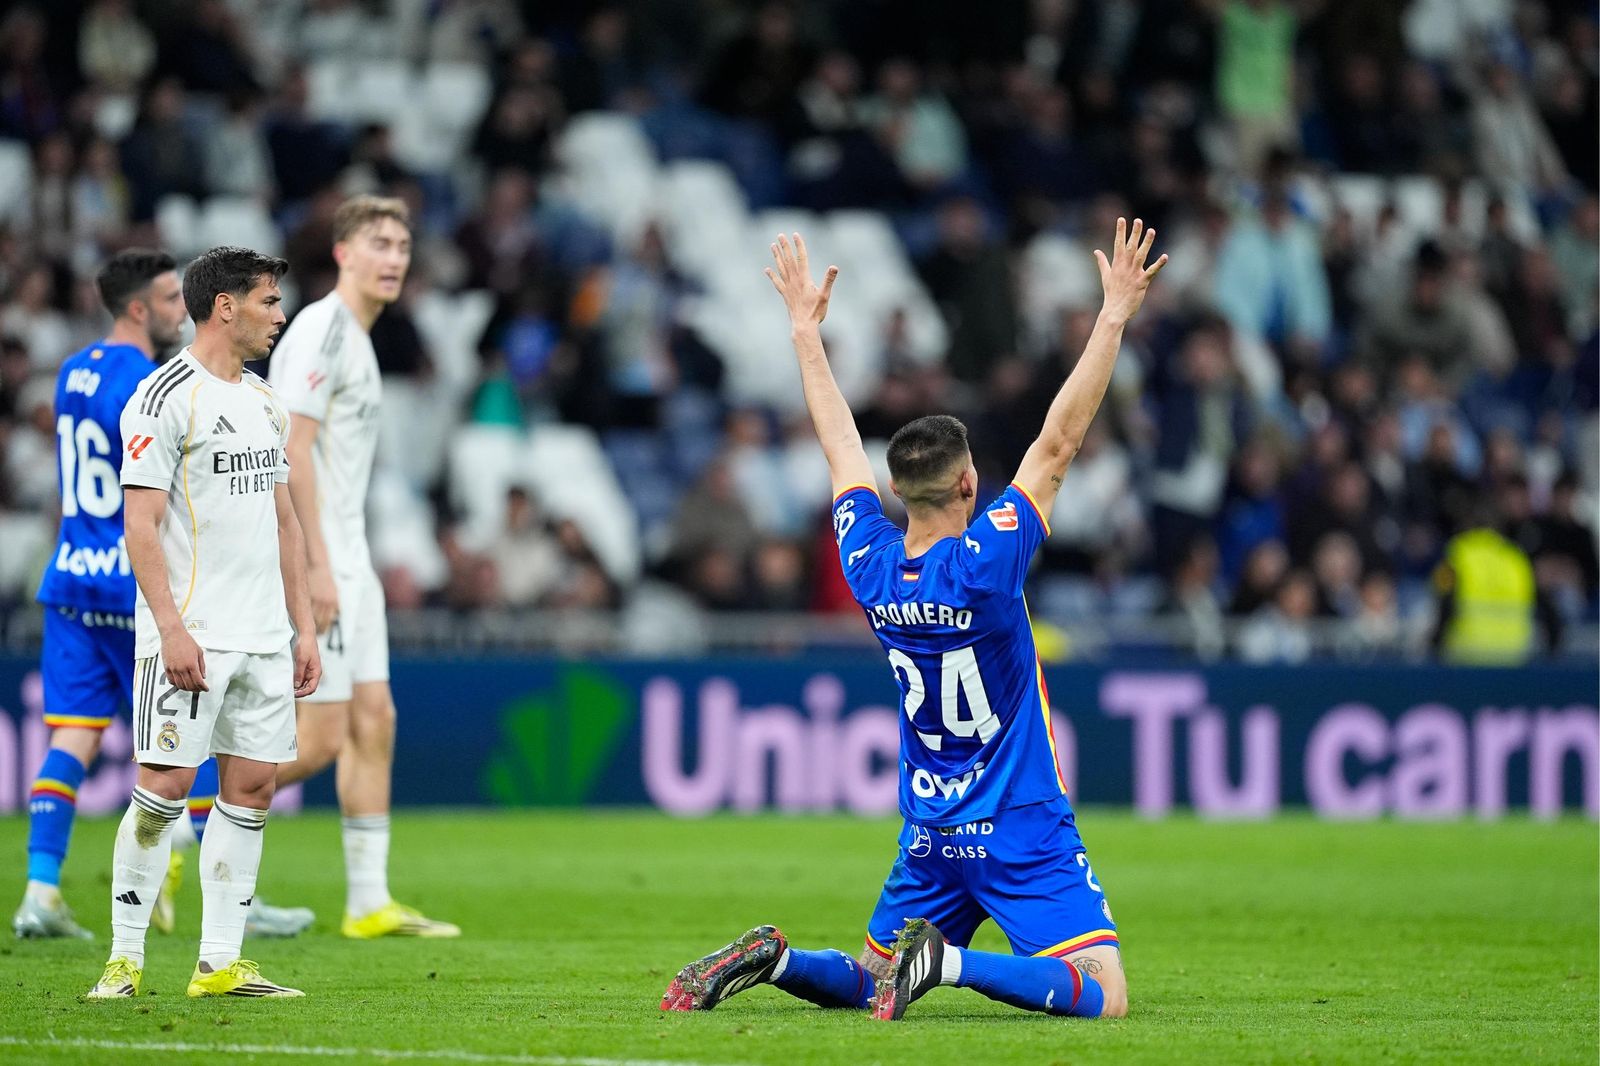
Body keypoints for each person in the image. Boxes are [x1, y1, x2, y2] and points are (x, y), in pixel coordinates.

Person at [662, 221, 1166, 1020]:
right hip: (1016, 824)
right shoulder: (988, 564)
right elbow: (1060, 441)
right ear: (969, 484)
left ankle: (780, 957)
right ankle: (952, 962)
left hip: (931, 829)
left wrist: (803, 330)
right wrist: (1113, 317)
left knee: (870, 977)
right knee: (1102, 996)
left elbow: (838, 451)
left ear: (898, 494)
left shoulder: (866, 562)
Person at [87, 245, 320, 999]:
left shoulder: (264, 401)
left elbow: (285, 523)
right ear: (225, 306)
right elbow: (141, 525)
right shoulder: (162, 398)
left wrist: (304, 628)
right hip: (192, 632)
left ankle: (219, 962)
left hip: (262, 636)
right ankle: (122, 960)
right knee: (162, 789)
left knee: (252, 788)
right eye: (268, 302)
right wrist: (170, 627)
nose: (279, 315)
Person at [265, 196, 458, 939]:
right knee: (317, 739)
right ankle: (183, 817)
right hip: (324, 552)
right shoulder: (319, 329)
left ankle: (367, 901)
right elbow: (291, 450)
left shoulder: (359, 336)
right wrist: (313, 566)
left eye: (403, 246)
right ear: (342, 252)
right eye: (379, 242)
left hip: (352, 550)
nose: (394, 258)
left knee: (376, 719)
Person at [14, 249, 196, 940]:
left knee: (73, 735)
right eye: (172, 299)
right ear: (138, 309)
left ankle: (40, 891)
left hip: (70, 573)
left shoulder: (72, 369)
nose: (182, 310)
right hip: (131, 580)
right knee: (185, 733)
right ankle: (202, 875)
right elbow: (156, 487)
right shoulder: (147, 382)